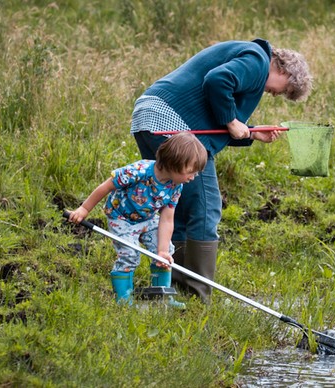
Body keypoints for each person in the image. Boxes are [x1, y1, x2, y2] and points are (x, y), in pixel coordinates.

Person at [130, 38, 313, 302]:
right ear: (283, 70)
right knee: (206, 208)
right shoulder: (257, 61)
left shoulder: (245, 56)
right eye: (283, 90)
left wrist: (251, 133)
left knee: (175, 204)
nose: (275, 95)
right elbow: (218, 81)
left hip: (149, 118)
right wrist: (231, 120)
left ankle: (171, 289)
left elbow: (211, 110)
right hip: (172, 123)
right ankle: (197, 296)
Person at [67, 132, 207, 308]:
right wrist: (84, 209)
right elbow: (107, 185)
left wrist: (161, 251)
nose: (193, 177)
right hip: (121, 218)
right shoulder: (139, 171)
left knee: (166, 252)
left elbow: (166, 219)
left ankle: (161, 296)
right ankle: (124, 300)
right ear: (173, 163)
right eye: (190, 172)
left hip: (147, 219)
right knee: (129, 254)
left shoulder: (175, 186)